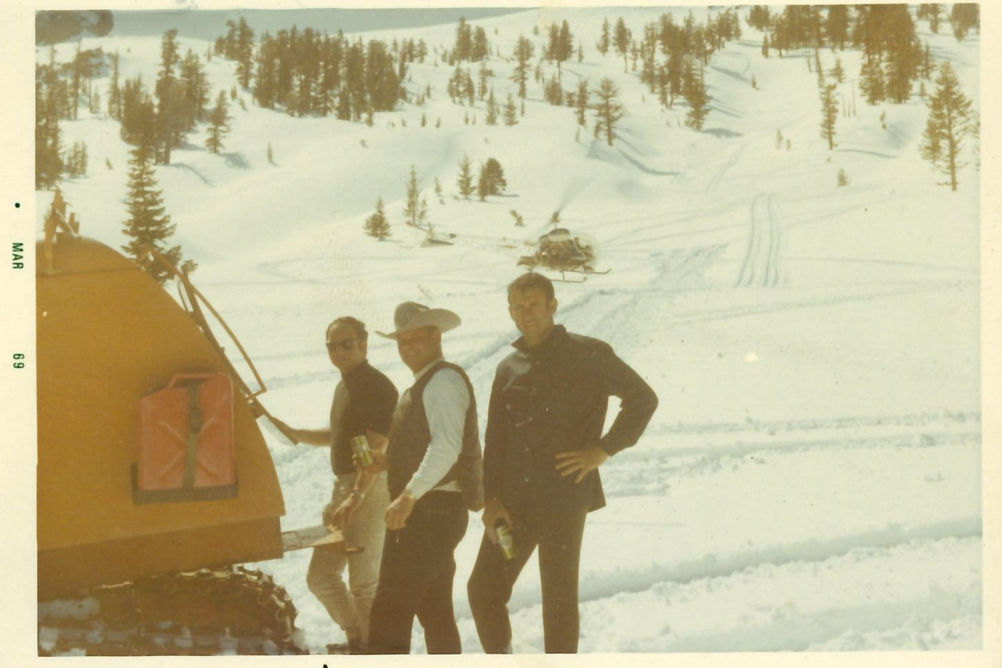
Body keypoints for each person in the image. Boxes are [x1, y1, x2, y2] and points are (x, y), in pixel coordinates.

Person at [467, 272, 658, 653]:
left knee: (558, 598)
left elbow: (642, 398)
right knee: (484, 587)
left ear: (553, 306)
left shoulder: (589, 354)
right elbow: (497, 439)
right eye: (518, 307)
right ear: (510, 311)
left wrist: (603, 449)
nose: (526, 314)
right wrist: (493, 499)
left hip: (563, 496)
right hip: (515, 502)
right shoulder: (508, 368)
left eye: (534, 305)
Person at [365, 301, 484, 654]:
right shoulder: (426, 383)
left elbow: (446, 447)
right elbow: (429, 446)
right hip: (434, 510)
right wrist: (387, 462)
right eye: (402, 341)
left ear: (436, 337)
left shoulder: (442, 381)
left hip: (429, 511)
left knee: (389, 613)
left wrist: (408, 496)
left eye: (416, 337)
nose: (408, 346)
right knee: (435, 611)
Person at [278, 317, 398, 654]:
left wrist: (357, 493)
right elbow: (339, 436)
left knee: (364, 583)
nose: (339, 351)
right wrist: (296, 434)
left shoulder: (377, 386)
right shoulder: (344, 386)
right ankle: (358, 637)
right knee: (321, 577)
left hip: (369, 488)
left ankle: (373, 652)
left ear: (364, 345)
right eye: (332, 346)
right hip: (345, 490)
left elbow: (377, 446)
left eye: (347, 344)